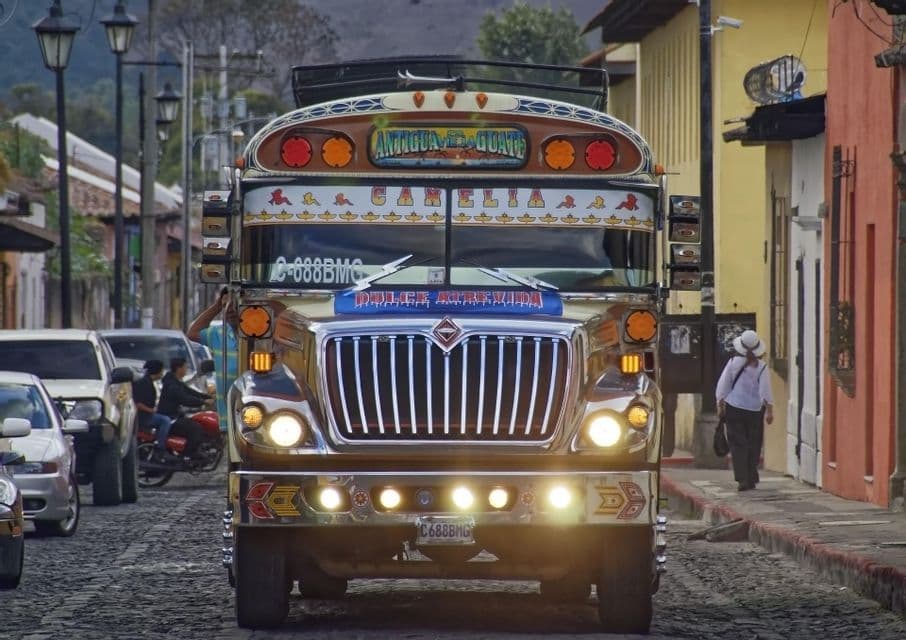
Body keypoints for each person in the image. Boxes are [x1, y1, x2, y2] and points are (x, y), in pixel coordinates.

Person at [716, 329, 774, 492]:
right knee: (754, 443)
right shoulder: (762, 367)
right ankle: (751, 475)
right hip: (755, 410)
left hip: (734, 407)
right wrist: (769, 410)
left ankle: (743, 478)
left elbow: (723, 385)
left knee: (738, 444)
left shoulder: (733, 363)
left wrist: (719, 404)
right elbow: (765, 390)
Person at [187, 287, 238, 433]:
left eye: (234, 305)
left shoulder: (260, 333)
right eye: (225, 306)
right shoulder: (218, 333)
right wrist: (216, 306)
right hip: (228, 419)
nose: (229, 310)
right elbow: (192, 333)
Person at [158, 357, 212, 459]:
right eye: (185, 367)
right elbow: (184, 399)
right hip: (170, 418)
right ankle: (188, 454)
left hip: (175, 416)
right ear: (179, 369)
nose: (186, 369)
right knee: (196, 428)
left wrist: (207, 397)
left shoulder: (175, 381)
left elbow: (189, 391)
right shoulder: (171, 385)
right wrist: (203, 402)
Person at [130, 359, 173, 454]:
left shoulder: (148, 382)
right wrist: (151, 411)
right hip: (143, 417)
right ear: (157, 370)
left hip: (146, 414)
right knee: (165, 420)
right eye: (162, 370)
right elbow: (138, 403)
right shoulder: (144, 383)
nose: (163, 373)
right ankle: (160, 447)